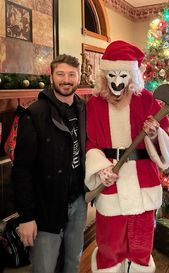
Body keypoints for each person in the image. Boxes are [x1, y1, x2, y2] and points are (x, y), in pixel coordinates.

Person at [85, 40, 169, 273]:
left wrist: (154, 134)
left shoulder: (146, 99)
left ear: (131, 76)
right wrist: (100, 169)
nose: (117, 81)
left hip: (143, 180)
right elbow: (90, 142)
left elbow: (164, 134)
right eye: (112, 75)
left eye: (122, 75)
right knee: (110, 242)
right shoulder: (94, 104)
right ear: (104, 76)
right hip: (110, 179)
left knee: (141, 241)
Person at [12, 54, 87, 273]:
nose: (66, 80)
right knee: (44, 267)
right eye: (61, 74)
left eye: (72, 74)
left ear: (79, 76)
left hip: (78, 202)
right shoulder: (34, 113)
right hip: (46, 206)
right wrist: (26, 217)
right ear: (51, 76)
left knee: (72, 262)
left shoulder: (82, 109)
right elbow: (21, 169)